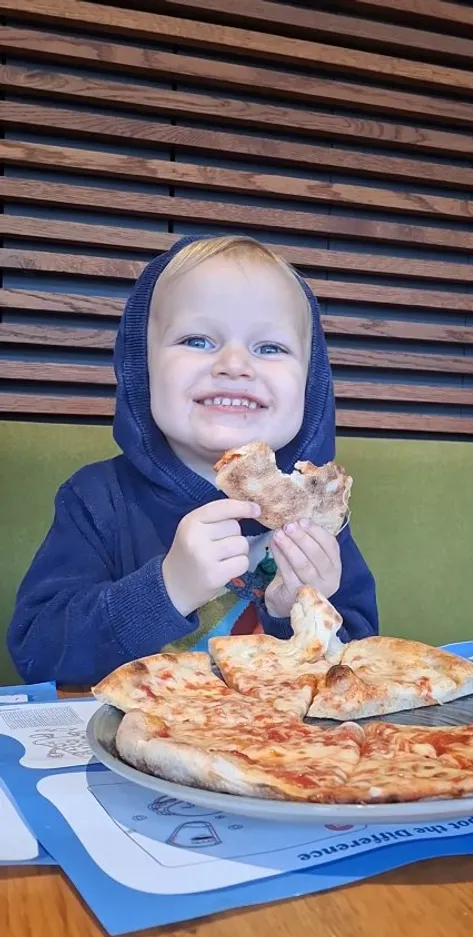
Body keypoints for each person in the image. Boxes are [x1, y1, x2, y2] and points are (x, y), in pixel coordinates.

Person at [7, 234, 378, 686]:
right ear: (143, 370)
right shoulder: (98, 499)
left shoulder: (316, 520)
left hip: (278, 748)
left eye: (270, 348)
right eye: (198, 340)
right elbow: (38, 653)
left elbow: (357, 671)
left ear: (311, 385)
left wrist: (293, 612)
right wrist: (168, 589)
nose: (235, 364)